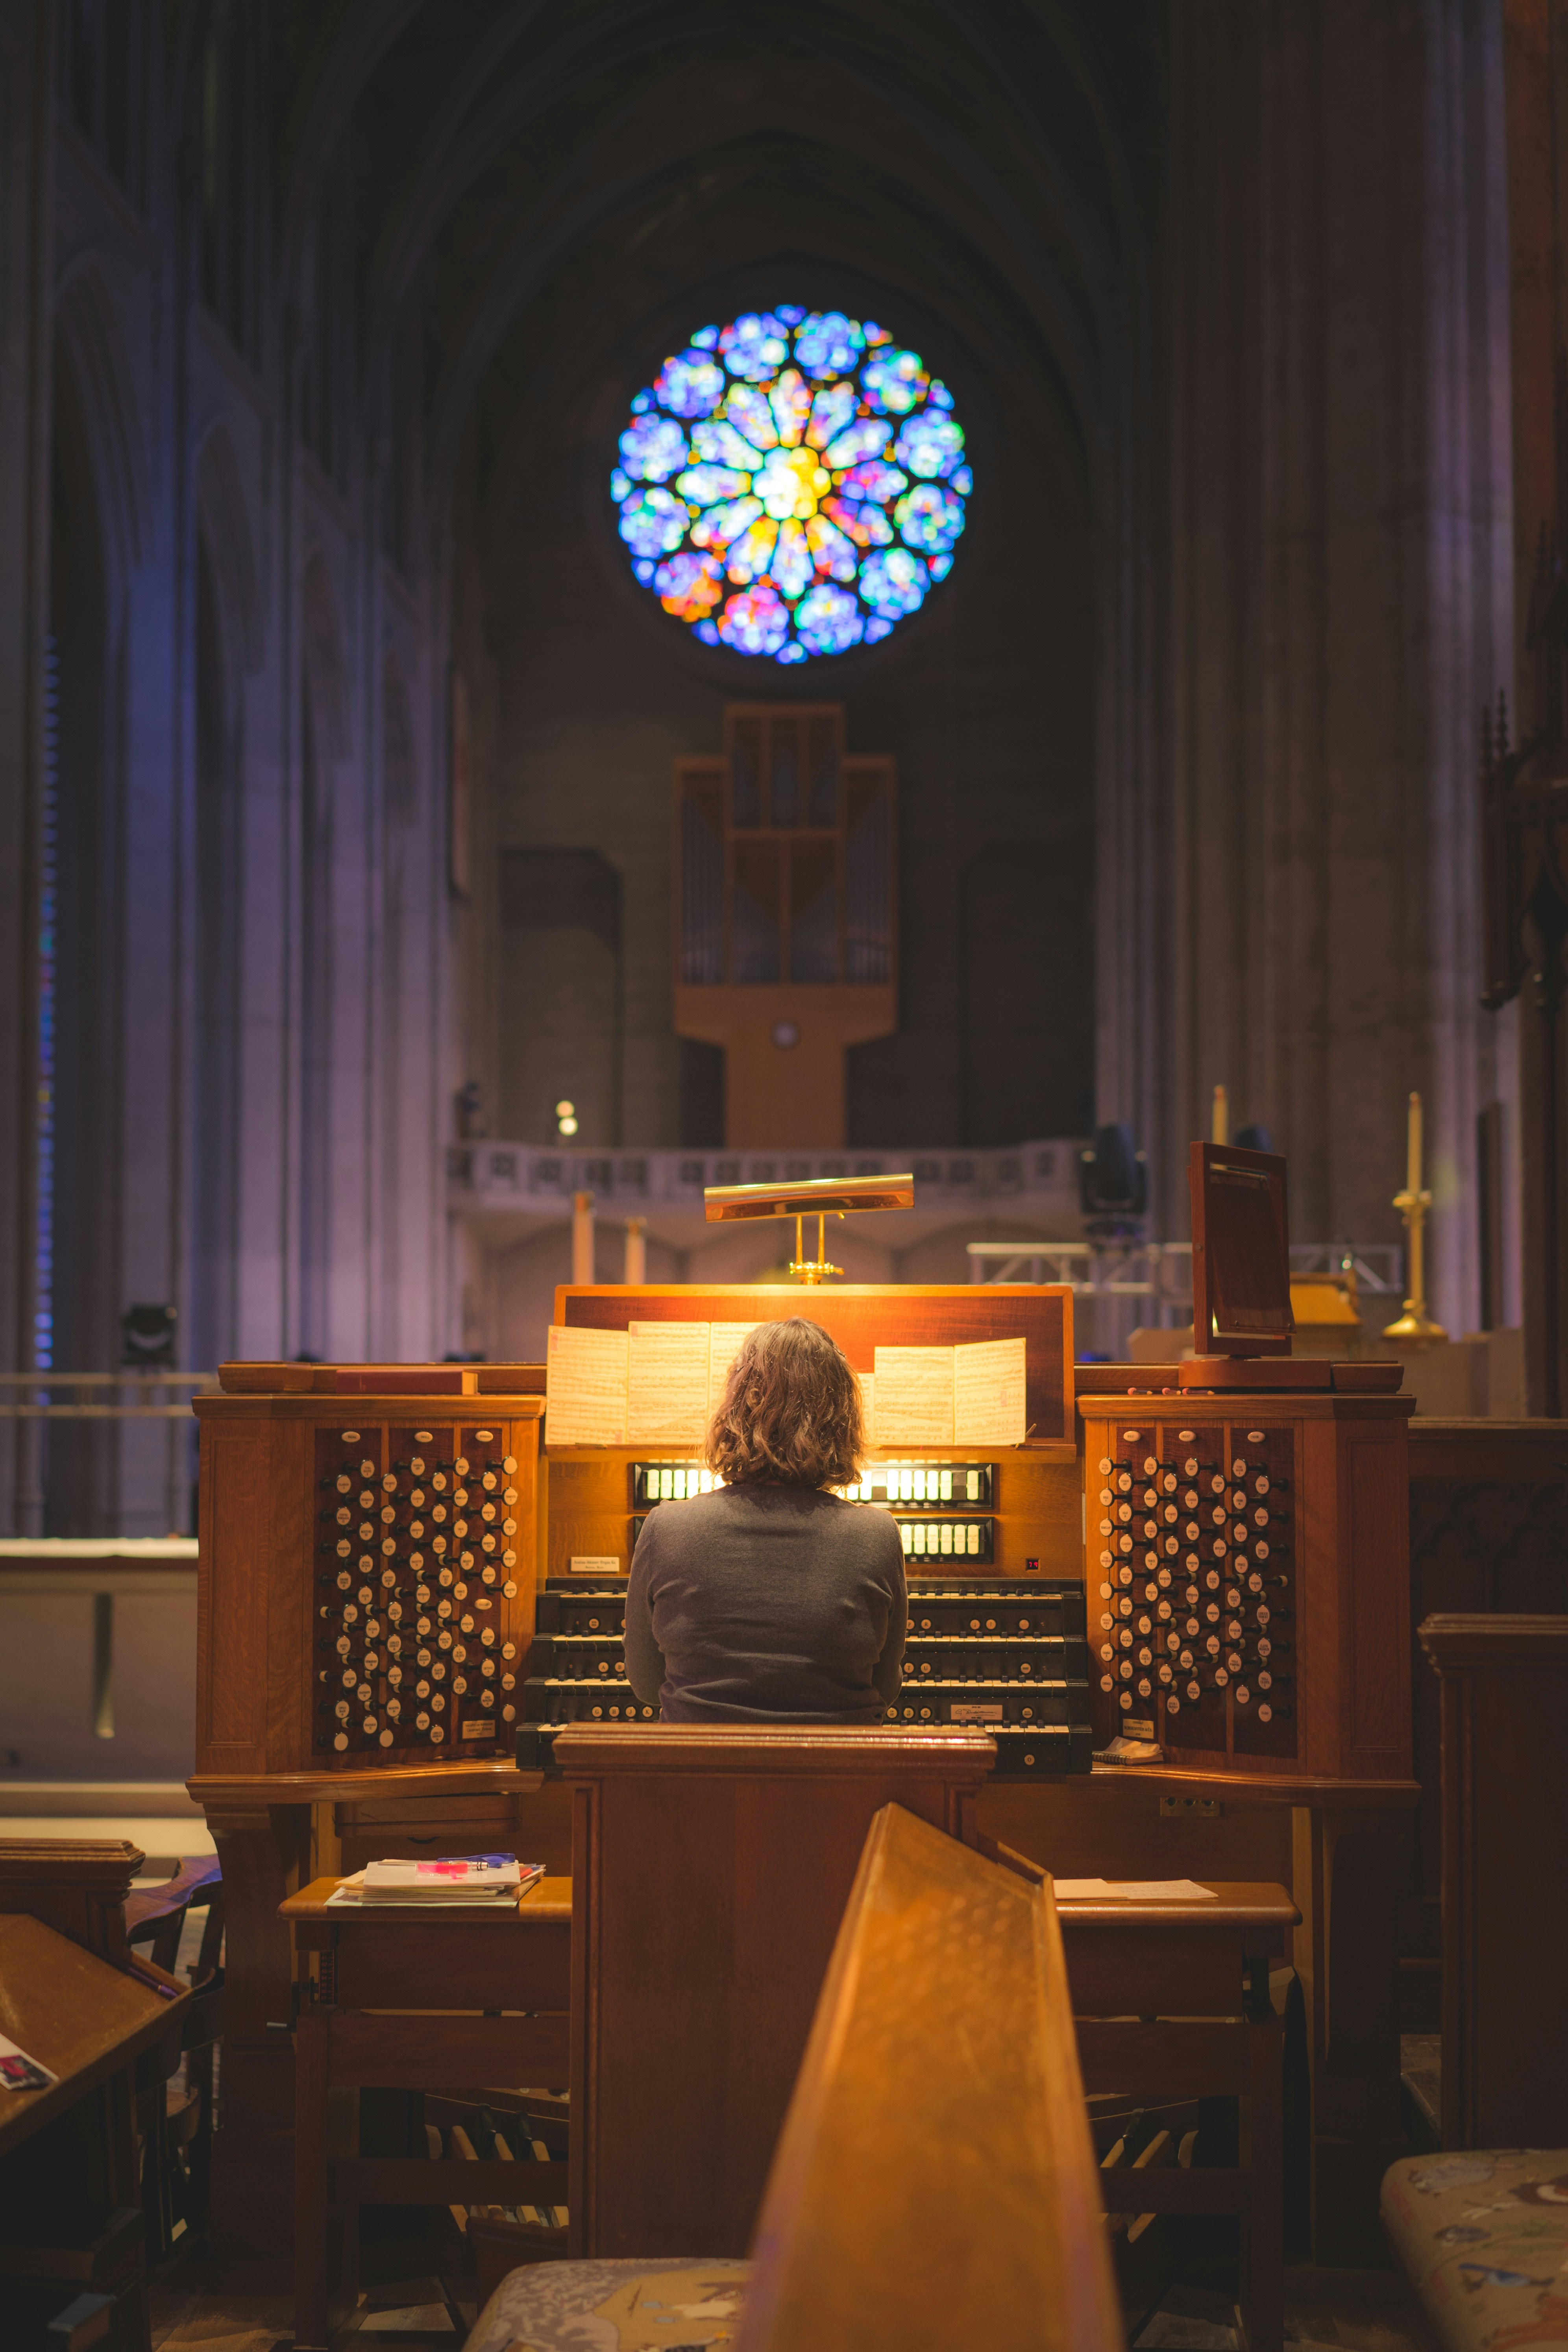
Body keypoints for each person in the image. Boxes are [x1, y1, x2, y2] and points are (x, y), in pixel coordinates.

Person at [623, 1317, 906, 1723]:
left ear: (736, 1410)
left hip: (696, 1778)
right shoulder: (877, 1534)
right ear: (840, 1420)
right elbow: (886, 1689)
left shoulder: (665, 1527)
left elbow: (647, 1685)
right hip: (838, 1781)